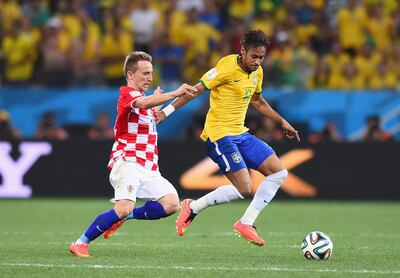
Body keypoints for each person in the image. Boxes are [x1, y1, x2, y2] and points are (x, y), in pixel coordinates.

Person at [158, 30, 300, 247]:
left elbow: (258, 101)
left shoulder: (257, 72)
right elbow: (195, 91)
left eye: (261, 57)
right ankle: (194, 208)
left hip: (241, 134)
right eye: (254, 56)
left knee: (279, 173)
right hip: (219, 135)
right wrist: (165, 112)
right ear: (242, 51)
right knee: (245, 188)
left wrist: (282, 122)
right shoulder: (226, 66)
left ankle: (244, 222)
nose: (257, 61)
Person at [69, 51, 197, 257]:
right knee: (123, 207)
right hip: (128, 161)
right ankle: (80, 243)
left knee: (172, 204)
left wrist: (171, 99)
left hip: (149, 167)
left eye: (151, 73)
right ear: (130, 74)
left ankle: (121, 219)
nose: (149, 77)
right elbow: (144, 103)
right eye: (145, 73)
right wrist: (175, 92)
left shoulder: (146, 104)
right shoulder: (127, 94)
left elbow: (156, 112)